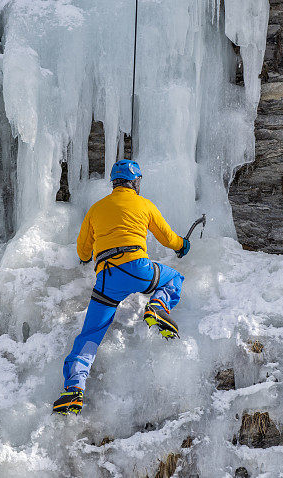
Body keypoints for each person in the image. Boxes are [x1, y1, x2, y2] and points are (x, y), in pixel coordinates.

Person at [53, 159, 190, 415]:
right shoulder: (144, 205)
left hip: (106, 276)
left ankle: (72, 390)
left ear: (114, 182)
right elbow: (167, 237)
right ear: (135, 181)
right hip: (138, 268)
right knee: (174, 278)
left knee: (90, 335)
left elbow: (83, 250)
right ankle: (157, 307)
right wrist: (182, 246)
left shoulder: (96, 209)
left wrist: (85, 258)